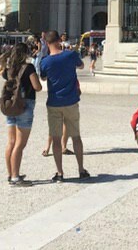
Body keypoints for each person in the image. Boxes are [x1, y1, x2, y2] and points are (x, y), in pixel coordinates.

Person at [38, 30, 90, 182]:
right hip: (71, 101)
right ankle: (81, 170)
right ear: (59, 40)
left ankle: (60, 173)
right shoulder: (70, 55)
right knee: (76, 137)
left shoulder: (45, 61)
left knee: (55, 139)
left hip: (54, 103)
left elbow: (42, 77)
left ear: (47, 43)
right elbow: (81, 66)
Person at [0, 43, 42, 186]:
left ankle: (11, 174)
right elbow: (37, 87)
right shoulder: (28, 67)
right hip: (25, 105)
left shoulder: (9, 69)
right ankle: (16, 178)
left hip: (11, 105)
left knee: (11, 142)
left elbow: (1, 71)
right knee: (20, 144)